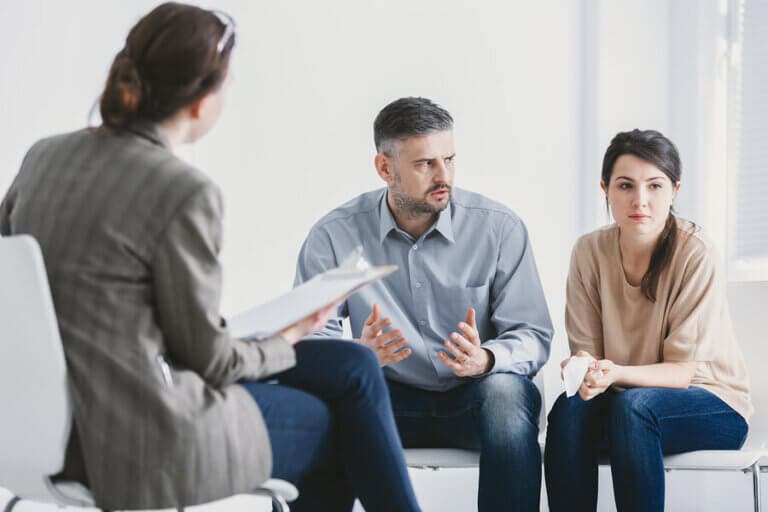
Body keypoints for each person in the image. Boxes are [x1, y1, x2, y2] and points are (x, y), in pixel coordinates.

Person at [0, 4, 420, 511]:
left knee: (352, 363)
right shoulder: (181, 191)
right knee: (334, 423)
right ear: (202, 99)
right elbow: (212, 361)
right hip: (137, 436)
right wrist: (285, 338)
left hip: (36, 430)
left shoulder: (44, 157)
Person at [295, 96, 554, 511]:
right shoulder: (335, 236)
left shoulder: (499, 228)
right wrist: (356, 356)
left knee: (507, 395)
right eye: (425, 164)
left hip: (475, 399)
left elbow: (533, 333)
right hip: (383, 403)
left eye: (449, 159)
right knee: (312, 413)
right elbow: (309, 343)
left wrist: (485, 359)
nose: (443, 176)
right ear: (385, 168)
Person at [544, 129, 753, 512]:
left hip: (711, 404)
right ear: (605, 189)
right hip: (626, 402)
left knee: (634, 408)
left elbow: (680, 374)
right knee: (568, 408)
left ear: (675, 190)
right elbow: (588, 352)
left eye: (655, 186)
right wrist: (582, 368)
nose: (640, 200)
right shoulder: (589, 251)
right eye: (625, 185)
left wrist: (613, 373)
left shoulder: (696, 252)